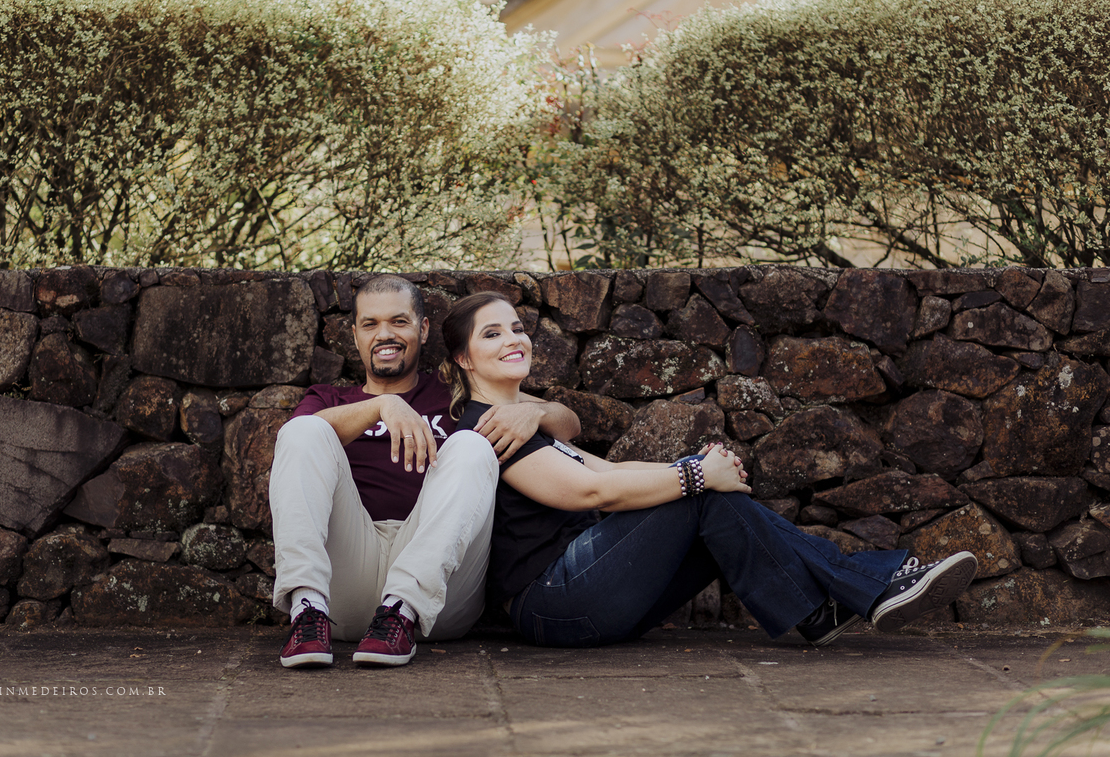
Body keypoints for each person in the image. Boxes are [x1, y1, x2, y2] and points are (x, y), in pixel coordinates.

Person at [439, 291, 978, 649]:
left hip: (585, 595)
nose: (514, 339)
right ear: (462, 359)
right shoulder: (487, 428)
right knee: (704, 496)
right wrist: (696, 476)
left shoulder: (521, 417)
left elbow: (607, 465)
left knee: (713, 509)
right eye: (491, 334)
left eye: (516, 327)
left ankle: (820, 611)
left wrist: (693, 469)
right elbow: (592, 491)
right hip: (552, 603)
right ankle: (866, 586)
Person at [269, 275, 581, 668]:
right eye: (370, 324)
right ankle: (307, 611)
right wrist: (383, 406)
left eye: (399, 321)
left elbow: (569, 425)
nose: (385, 334)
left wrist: (536, 411)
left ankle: (400, 610)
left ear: (423, 327)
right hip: (346, 581)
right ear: (355, 334)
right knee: (302, 429)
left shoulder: (455, 393)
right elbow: (297, 443)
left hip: (436, 594)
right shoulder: (330, 400)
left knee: (471, 443)